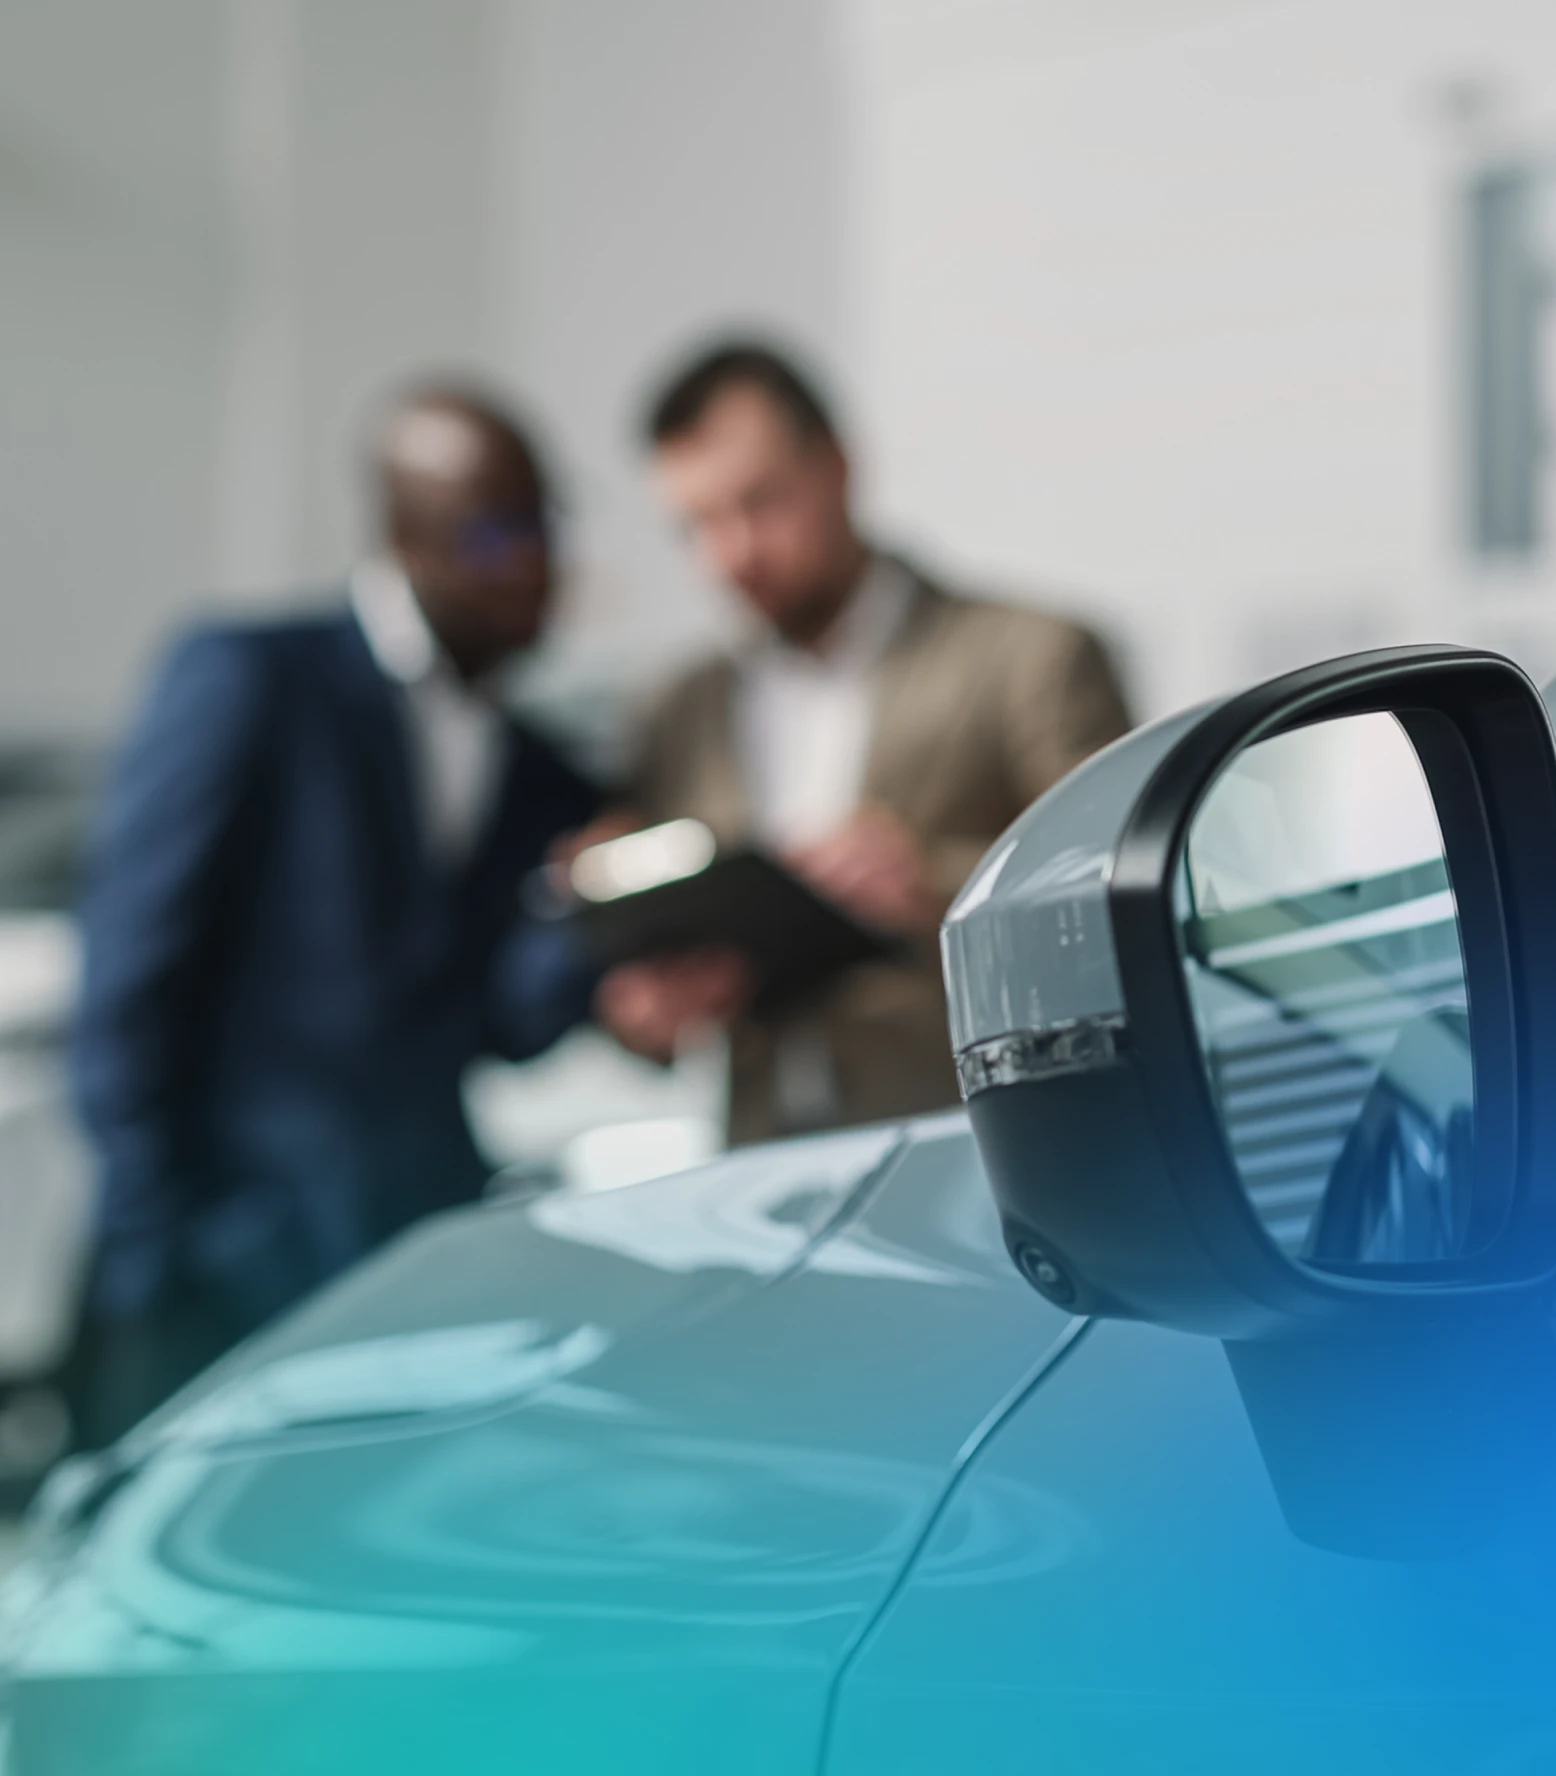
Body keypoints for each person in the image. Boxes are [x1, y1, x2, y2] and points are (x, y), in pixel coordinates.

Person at [68, 385, 605, 1446]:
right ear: (406, 537)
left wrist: (590, 918)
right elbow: (128, 980)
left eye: (545, 525)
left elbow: (502, 1026)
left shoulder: (545, 769)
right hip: (222, 1276)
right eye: (496, 531)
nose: (534, 563)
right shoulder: (250, 680)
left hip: (419, 1273)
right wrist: (165, 1245)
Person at [592, 341, 1133, 1144]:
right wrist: (649, 1006)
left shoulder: (1031, 657)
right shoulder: (679, 710)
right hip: (763, 1161)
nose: (734, 552)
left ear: (840, 466)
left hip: (992, 1150)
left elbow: (1125, 899)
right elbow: (654, 991)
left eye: (762, 502)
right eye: (699, 524)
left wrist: (932, 888)